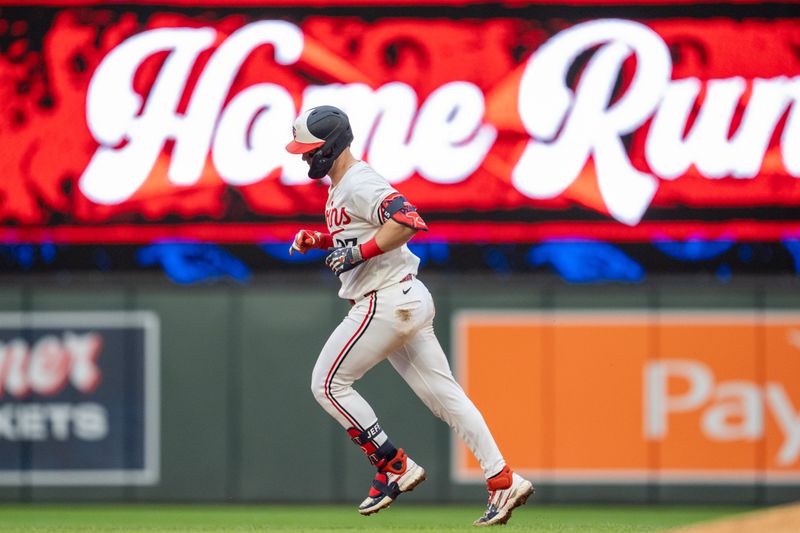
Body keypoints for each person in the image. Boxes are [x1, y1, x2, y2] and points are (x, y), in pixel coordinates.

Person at [285, 105, 533, 526]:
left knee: (327, 384)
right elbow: (361, 233)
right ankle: (502, 479)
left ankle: (392, 464)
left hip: (384, 301)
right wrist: (324, 241)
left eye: (309, 149)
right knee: (447, 400)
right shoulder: (342, 186)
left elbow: (408, 220)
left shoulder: (359, 180)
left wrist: (358, 252)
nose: (304, 157)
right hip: (405, 297)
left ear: (329, 146)